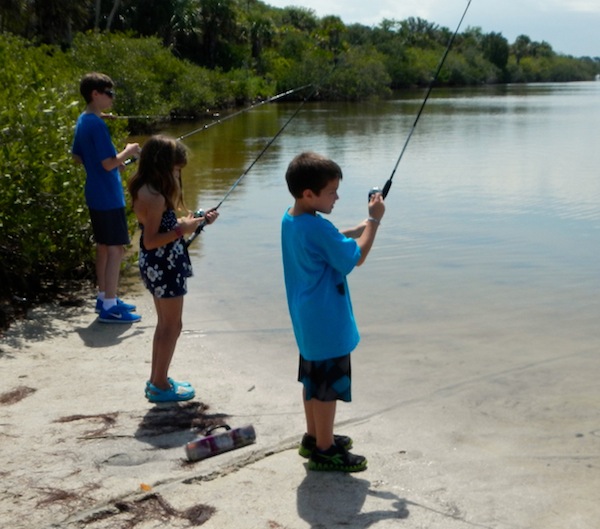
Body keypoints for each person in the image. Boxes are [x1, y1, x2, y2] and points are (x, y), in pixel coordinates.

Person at [281, 151, 385, 472]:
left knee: (312, 382)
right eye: (332, 192)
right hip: (326, 323)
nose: (337, 196)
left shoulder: (293, 218)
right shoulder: (317, 229)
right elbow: (355, 259)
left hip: (307, 321)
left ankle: (314, 437)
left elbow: (319, 236)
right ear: (309, 194)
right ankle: (324, 451)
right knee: (326, 389)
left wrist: (350, 230)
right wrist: (374, 220)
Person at [128, 135, 219, 403]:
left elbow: (161, 228)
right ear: (163, 165)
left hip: (158, 264)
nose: (178, 174)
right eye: (176, 169)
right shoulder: (155, 197)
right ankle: (159, 384)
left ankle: (159, 380)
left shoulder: (147, 188)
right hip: (163, 265)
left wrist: (196, 221)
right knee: (172, 326)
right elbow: (151, 240)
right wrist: (183, 229)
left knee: (166, 325)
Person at [72, 72, 141, 323]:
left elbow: (78, 157)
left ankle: (104, 297)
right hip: (108, 196)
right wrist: (128, 152)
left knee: (103, 247)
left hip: (94, 192)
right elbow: (109, 163)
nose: (112, 98)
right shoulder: (97, 125)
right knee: (116, 249)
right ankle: (110, 307)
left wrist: (112, 160)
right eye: (108, 93)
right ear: (95, 94)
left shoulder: (84, 120)